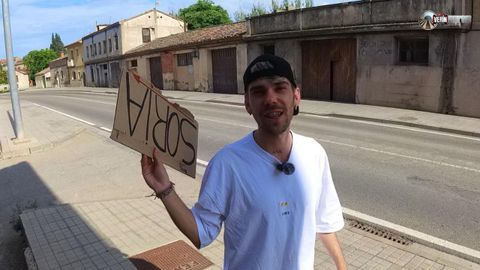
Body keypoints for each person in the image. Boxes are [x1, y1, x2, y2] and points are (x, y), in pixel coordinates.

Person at [141, 54, 347, 269]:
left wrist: (342, 267)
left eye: (280, 88)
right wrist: (164, 188)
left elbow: (325, 222)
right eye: (259, 91)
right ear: (247, 103)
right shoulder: (227, 164)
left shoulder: (314, 153)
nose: (271, 99)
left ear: (296, 96)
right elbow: (202, 233)